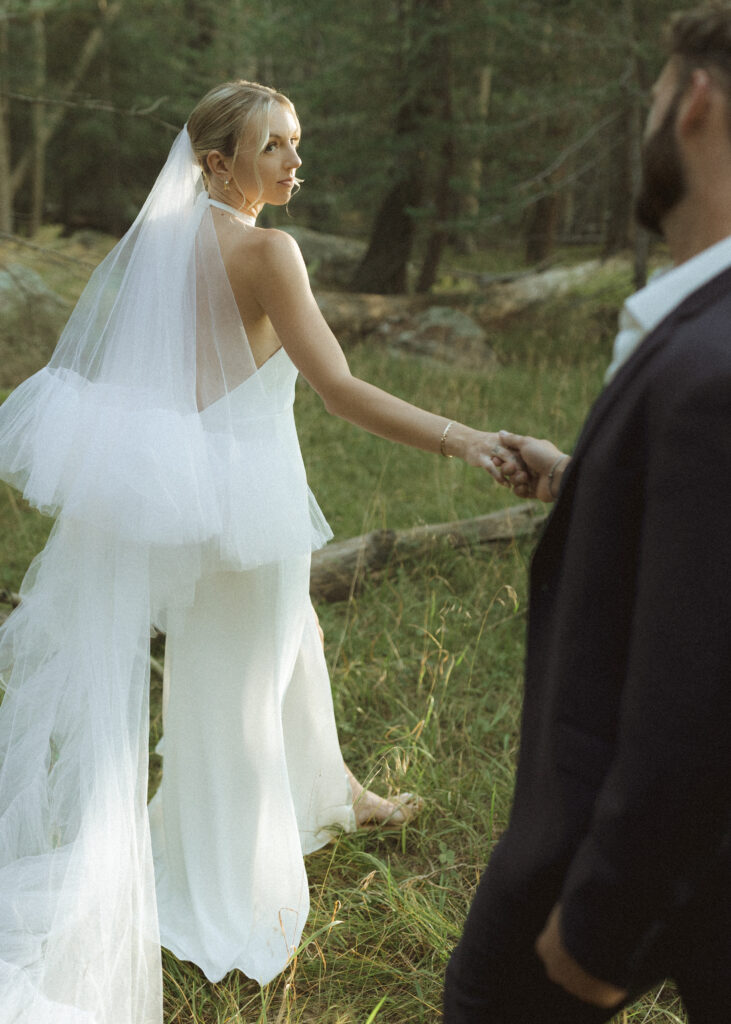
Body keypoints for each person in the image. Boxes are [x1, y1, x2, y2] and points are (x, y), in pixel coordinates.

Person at [0, 81, 523, 1022]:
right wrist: (467, 439)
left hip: (186, 493)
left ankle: (338, 791)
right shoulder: (270, 250)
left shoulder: (162, 245)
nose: (293, 161)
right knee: (231, 698)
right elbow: (339, 387)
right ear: (216, 163)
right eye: (272, 146)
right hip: (244, 499)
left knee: (288, 645)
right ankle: (225, 895)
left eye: (296, 142)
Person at [444, 5, 731, 1022]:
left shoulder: (707, 365)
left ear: (692, 101)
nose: (648, 113)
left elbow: (697, 690)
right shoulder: (698, 330)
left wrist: (600, 926)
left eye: (654, 94)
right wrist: (592, 476)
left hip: (613, 853)